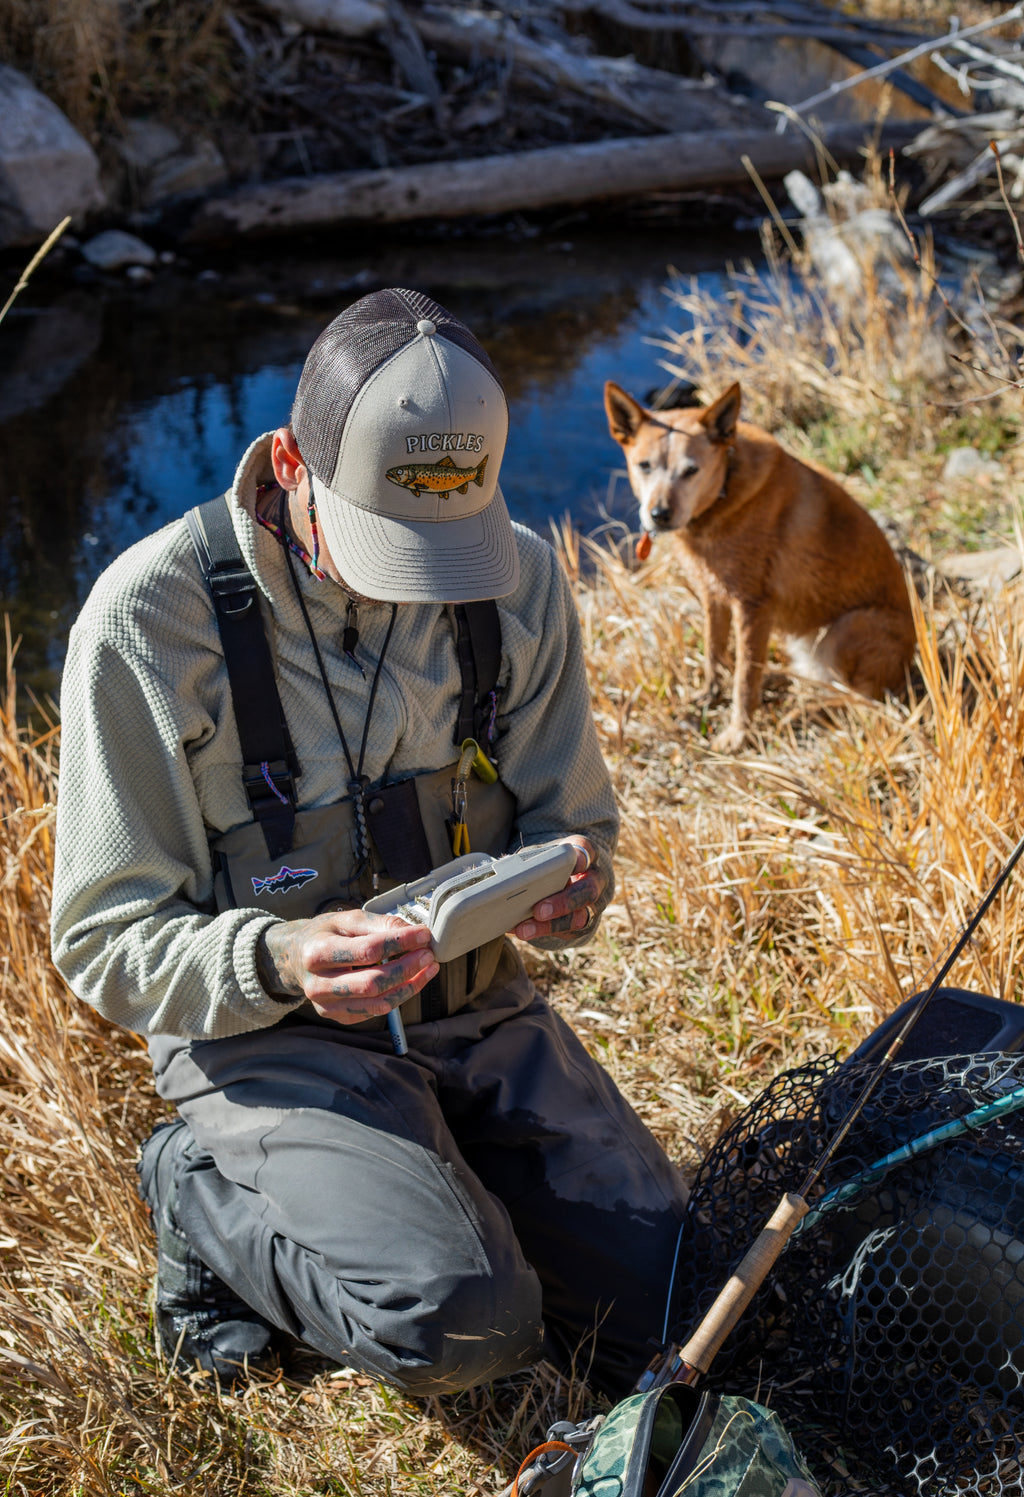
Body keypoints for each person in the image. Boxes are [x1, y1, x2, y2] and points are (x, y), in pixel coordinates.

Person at [51, 288, 688, 1399]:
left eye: (450, 547)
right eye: (386, 544)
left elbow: (574, 820)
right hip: (270, 1038)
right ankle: (195, 1185)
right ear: (290, 465)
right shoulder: (148, 622)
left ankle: (439, 1166)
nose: (420, 584)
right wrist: (282, 958)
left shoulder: (520, 578)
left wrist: (574, 884)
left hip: (475, 1008)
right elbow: (106, 936)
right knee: (465, 1328)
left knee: (676, 1301)